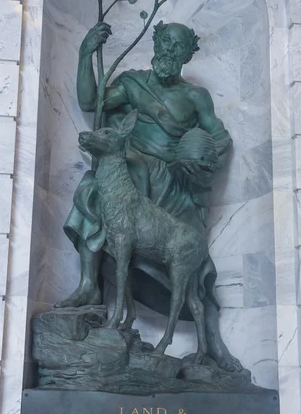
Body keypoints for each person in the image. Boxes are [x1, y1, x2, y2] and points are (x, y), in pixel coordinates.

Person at [56, 20, 242, 372]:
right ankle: (88, 285)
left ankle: (213, 341)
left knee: (195, 257)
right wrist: (85, 55)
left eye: (178, 47)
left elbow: (219, 137)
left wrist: (199, 160)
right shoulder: (132, 84)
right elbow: (91, 101)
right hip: (129, 173)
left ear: (187, 55)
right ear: (155, 44)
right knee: (92, 190)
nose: (169, 52)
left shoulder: (194, 97)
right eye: (166, 43)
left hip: (173, 185)